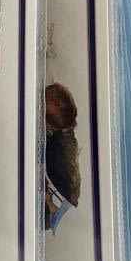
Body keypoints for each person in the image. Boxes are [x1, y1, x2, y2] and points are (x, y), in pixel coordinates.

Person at [44, 82, 81, 232]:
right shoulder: (69, 137)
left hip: (61, 197)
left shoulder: (55, 149)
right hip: (68, 194)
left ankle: (51, 210)